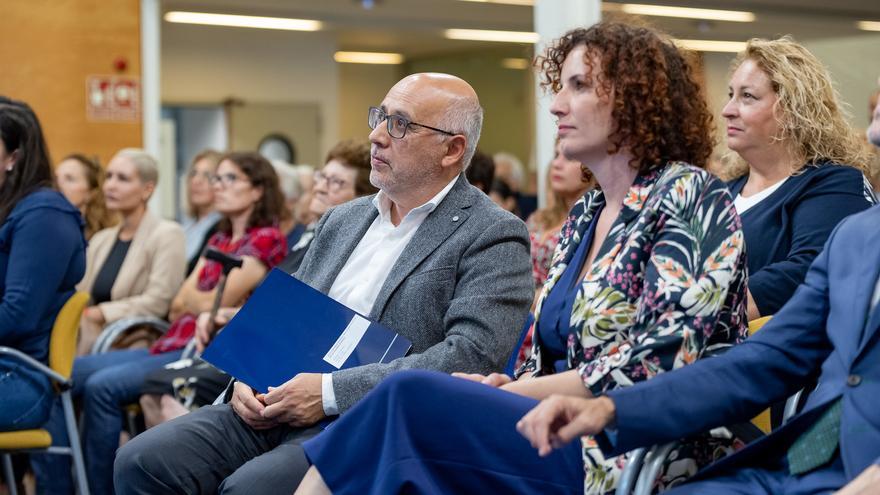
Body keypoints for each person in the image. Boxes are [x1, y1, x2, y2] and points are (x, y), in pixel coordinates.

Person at [295, 22, 747, 495]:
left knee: (407, 399)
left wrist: (509, 393)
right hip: (548, 426)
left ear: (636, 100)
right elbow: (542, 358)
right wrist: (507, 386)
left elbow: (659, 364)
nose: (556, 104)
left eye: (579, 87)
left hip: (630, 443)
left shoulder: (691, 196)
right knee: (398, 427)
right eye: (561, 87)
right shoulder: (588, 213)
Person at [114, 72, 534, 495]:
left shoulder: (492, 233)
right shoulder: (343, 219)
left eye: (400, 125)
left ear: (452, 149)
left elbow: (471, 357)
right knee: (142, 460)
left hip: (369, 420)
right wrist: (245, 378)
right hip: (274, 400)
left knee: (251, 489)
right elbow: (286, 317)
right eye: (380, 117)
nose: (376, 136)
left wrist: (329, 393)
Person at [518, 203, 880, 495]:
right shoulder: (857, 236)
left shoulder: (692, 203)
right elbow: (759, 362)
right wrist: (611, 407)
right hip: (791, 469)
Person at [33, 151, 288, 495]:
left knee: (102, 387)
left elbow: (213, 303)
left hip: (203, 350)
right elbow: (178, 303)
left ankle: (98, 489)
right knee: (56, 375)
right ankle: (61, 486)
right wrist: (196, 301)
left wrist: (196, 301)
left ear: (258, 190)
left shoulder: (266, 239)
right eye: (218, 178)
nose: (218, 186)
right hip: (170, 340)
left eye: (229, 179)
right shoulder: (218, 239)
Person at [138, 141, 376, 427]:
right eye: (321, 177)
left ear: (363, 198)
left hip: (285, 357)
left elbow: (302, 315)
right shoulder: (306, 238)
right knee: (151, 389)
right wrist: (227, 314)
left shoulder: (333, 245)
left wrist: (226, 313)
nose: (322, 187)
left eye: (336, 182)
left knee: (153, 389)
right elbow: (181, 303)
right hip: (245, 338)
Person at [721, 37, 876, 323]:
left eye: (747, 97)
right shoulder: (722, 192)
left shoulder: (834, 183)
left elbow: (808, 269)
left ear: (793, 111)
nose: (728, 110)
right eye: (731, 95)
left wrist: (700, 315)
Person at [0, 97, 86, 431]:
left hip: (21, 378)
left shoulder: (44, 215)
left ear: (14, 158)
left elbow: (17, 316)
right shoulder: (11, 208)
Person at [74, 149, 187, 355]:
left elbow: (158, 301)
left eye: (123, 178)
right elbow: (79, 292)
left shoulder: (167, 234)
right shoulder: (101, 239)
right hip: (93, 336)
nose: (110, 185)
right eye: (109, 176)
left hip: (137, 340)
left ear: (147, 189)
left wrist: (102, 313)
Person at [55, 153, 116, 240]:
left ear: (91, 193)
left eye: (69, 179)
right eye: (56, 177)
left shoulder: (104, 239)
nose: (58, 184)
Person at [182, 150, 223, 275]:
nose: (196, 181)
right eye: (193, 174)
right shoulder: (187, 225)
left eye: (207, 176)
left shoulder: (222, 228)